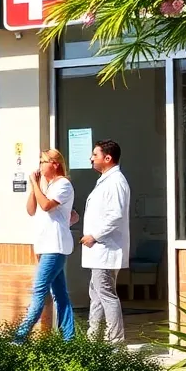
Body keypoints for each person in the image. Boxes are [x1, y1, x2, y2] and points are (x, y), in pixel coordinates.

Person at [15, 149, 78, 342]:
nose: (40, 166)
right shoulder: (48, 186)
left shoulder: (63, 184)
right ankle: (69, 338)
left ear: (55, 164)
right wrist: (35, 186)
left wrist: (35, 183)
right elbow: (31, 209)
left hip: (55, 246)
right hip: (45, 246)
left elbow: (46, 206)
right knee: (60, 293)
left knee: (39, 290)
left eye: (43, 162)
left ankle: (20, 337)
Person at [80, 139, 131, 344]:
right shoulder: (106, 180)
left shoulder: (117, 181)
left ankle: (115, 343)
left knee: (106, 295)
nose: (91, 158)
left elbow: (115, 216)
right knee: (96, 295)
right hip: (99, 252)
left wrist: (95, 236)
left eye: (95, 154)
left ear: (107, 158)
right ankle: (94, 338)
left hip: (106, 249)